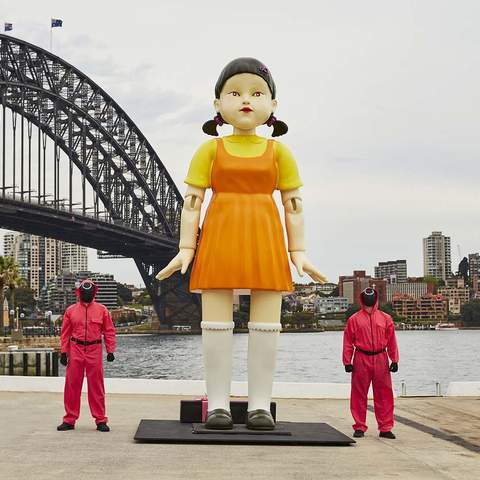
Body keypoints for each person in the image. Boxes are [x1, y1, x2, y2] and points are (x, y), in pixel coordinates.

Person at [157, 57, 326, 430]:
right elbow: (192, 202)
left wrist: (298, 252)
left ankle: (259, 405)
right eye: (234, 92)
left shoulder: (280, 153)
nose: (246, 99)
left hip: (266, 238)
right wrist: (187, 247)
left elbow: (293, 204)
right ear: (218, 105)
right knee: (214, 323)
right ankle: (217, 403)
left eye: (257, 92)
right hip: (220, 236)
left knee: (267, 324)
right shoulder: (210, 150)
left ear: (273, 106)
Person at [57, 279, 116, 432]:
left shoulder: (102, 310)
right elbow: (65, 334)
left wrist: (110, 350)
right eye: (84, 293)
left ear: (94, 293)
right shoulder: (70, 311)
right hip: (75, 348)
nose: (86, 295)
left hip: (94, 349)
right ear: (79, 293)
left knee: (96, 386)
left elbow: (109, 331)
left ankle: (100, 420)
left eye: (89, 293)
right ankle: (69, 419)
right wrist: (64, 352)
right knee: (72, 386)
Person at [343, 287, 399, 439]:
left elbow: (392, 340)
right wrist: (347, 361)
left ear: (376, 298)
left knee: (384, 394)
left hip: (381, 357)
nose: (369, 299)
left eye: (371, 296)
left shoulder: (386, 318)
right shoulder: (354, 319)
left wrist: (394, 359)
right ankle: (359, 426)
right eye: (366, 296)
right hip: (361, 357)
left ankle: (385, 428)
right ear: (362, 298)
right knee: (358, 393)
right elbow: (348, 341)